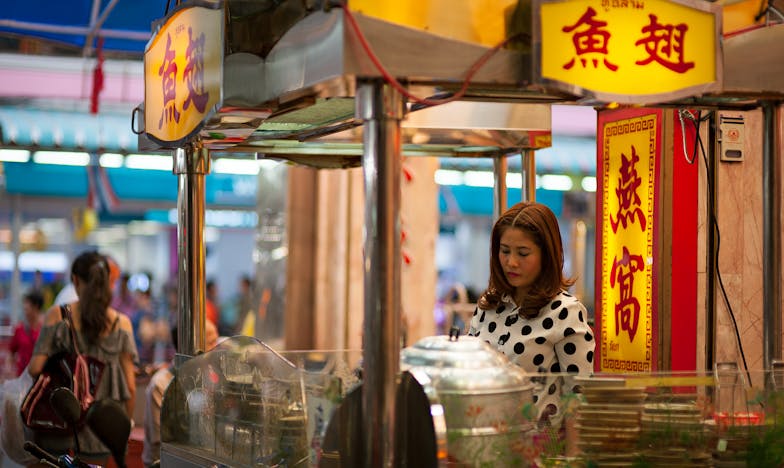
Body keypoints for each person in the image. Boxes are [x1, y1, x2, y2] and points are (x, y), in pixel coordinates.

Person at [468, 201, 595, 428]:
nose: (511, 262)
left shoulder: (565, 311)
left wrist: (572, 460)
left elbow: (578, 396)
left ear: (546, 255)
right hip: (483, 445)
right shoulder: (488, 306)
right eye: (504, 251)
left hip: (538, 451)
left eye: (523, 253)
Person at [27, 251, 138, 464]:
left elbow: (35, 368)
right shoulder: (122, 324)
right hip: (101, 436)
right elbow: (131, 388)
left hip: (58, 430)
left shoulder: (58, 315)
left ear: (76, 281)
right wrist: (124, 427)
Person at [142, 319, 218, 467]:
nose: (217, 350)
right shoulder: (161, 385)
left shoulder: (209, 378)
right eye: (211, 343)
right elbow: (162, 443)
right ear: (193, 350)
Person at [9, 291, 43, 376]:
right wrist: (10, 370)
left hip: (41, 380)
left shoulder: (45, 329)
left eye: (27, 308)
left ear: (36, 307)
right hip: (22, 380)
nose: (25, 311)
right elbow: (11, 352)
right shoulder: (19, 329)